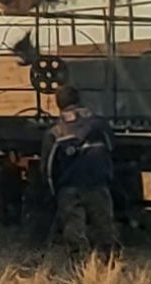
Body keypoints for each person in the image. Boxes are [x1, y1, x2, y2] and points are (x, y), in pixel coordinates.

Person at [41, 85, 121, 258]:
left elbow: (47, 168)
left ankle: (79, 267)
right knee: (104, 227)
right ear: (79, 99)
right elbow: (112, 148)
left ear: (58, 104)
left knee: (73, 229)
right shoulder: (100, 125)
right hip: (97, 184)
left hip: (69, 187)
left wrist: (54, 191)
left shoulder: (54, 132)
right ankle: (109, 264)